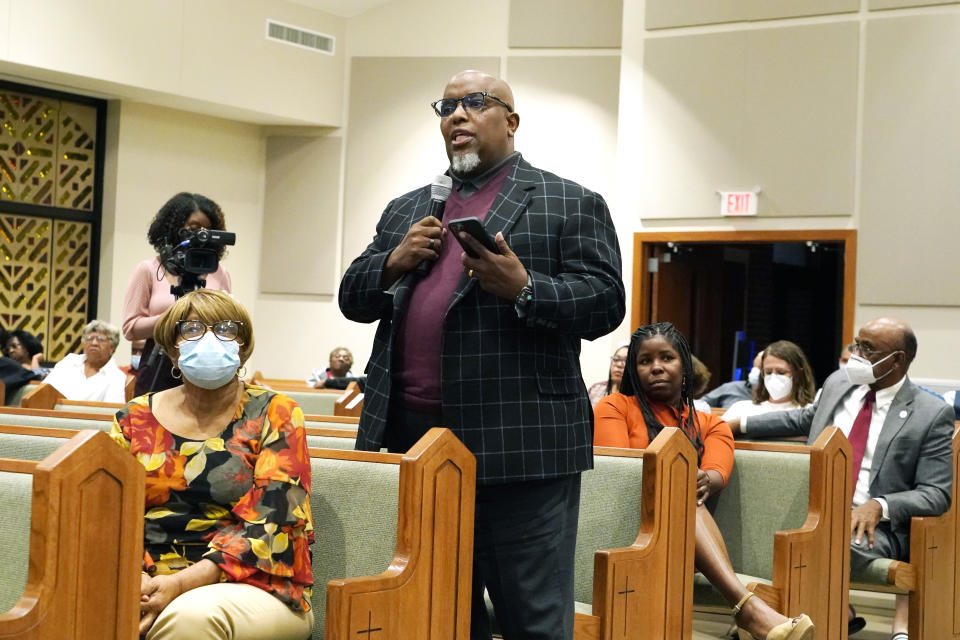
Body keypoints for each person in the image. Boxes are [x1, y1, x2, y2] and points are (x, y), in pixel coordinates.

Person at [339, 69, 625, 640]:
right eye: (445, 107)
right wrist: (392, 262)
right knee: (438, 611)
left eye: (474, 103)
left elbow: (607, 302)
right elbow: (352, 298)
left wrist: (525, 287)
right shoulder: (407, 208)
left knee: (533, 618)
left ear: (511, 122)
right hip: (413, 439)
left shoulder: (568, 201)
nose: (456, 116)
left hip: (521, 444)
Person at [727, 317, 953, 638]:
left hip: (873, 528)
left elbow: (937, 494)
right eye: (857, 344)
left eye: (868, 349)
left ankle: (781, 623)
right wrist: (739, 425)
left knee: (813, 546)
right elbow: (805, 419)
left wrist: (880, 504)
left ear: (898, 359)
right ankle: (801, 620)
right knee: (752, 527)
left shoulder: (930, 413)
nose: (857, 354)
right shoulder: (838, 383)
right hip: (813, 510)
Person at [110, 289, 313, 640]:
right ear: (172, 349)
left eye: (225, 329)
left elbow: (274, 521)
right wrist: (138, 580)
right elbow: (109, 512)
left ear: (243, 346)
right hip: (142, 577)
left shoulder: (276, 412)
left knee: (190, 618)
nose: (207, 339)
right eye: (190, 330)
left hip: (253, 581)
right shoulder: (134, 417)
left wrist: (178, 584)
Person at [594, 323, 813, 640]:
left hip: (682, 543)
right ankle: (748, 610)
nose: (656, 367)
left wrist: (701, 479)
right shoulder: (615, 407)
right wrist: (678, 481)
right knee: (678, 490)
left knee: (682, 491)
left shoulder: (710, 424)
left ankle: (751, 612)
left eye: (666, 358)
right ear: (633, 369)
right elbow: (619, 474)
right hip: (620, 528)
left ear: (683, 365)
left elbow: (716, 474)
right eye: (645, 361)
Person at [122, 192, 232, 396]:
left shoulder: (220, 273)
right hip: (160, 363)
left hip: (208, 368)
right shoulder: (148, 269)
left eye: (208, 229)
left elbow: (227, 324)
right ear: (174, 229)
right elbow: (130, 329)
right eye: (193, 228)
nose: (201, 235)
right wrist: (175, 317)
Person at [722, 341, 816, 424]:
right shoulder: (741, 408)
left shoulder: (808, 413)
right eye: (768, 372)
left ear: (797, 374)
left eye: (781, 372)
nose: (773, 377)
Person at [43, 320, 126, 403]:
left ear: (112, 347)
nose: (94, 343)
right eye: (89, 338)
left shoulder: (117, 377)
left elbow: (112, 411)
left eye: (100, 339)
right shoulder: (69, 362)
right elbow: (44, 391)